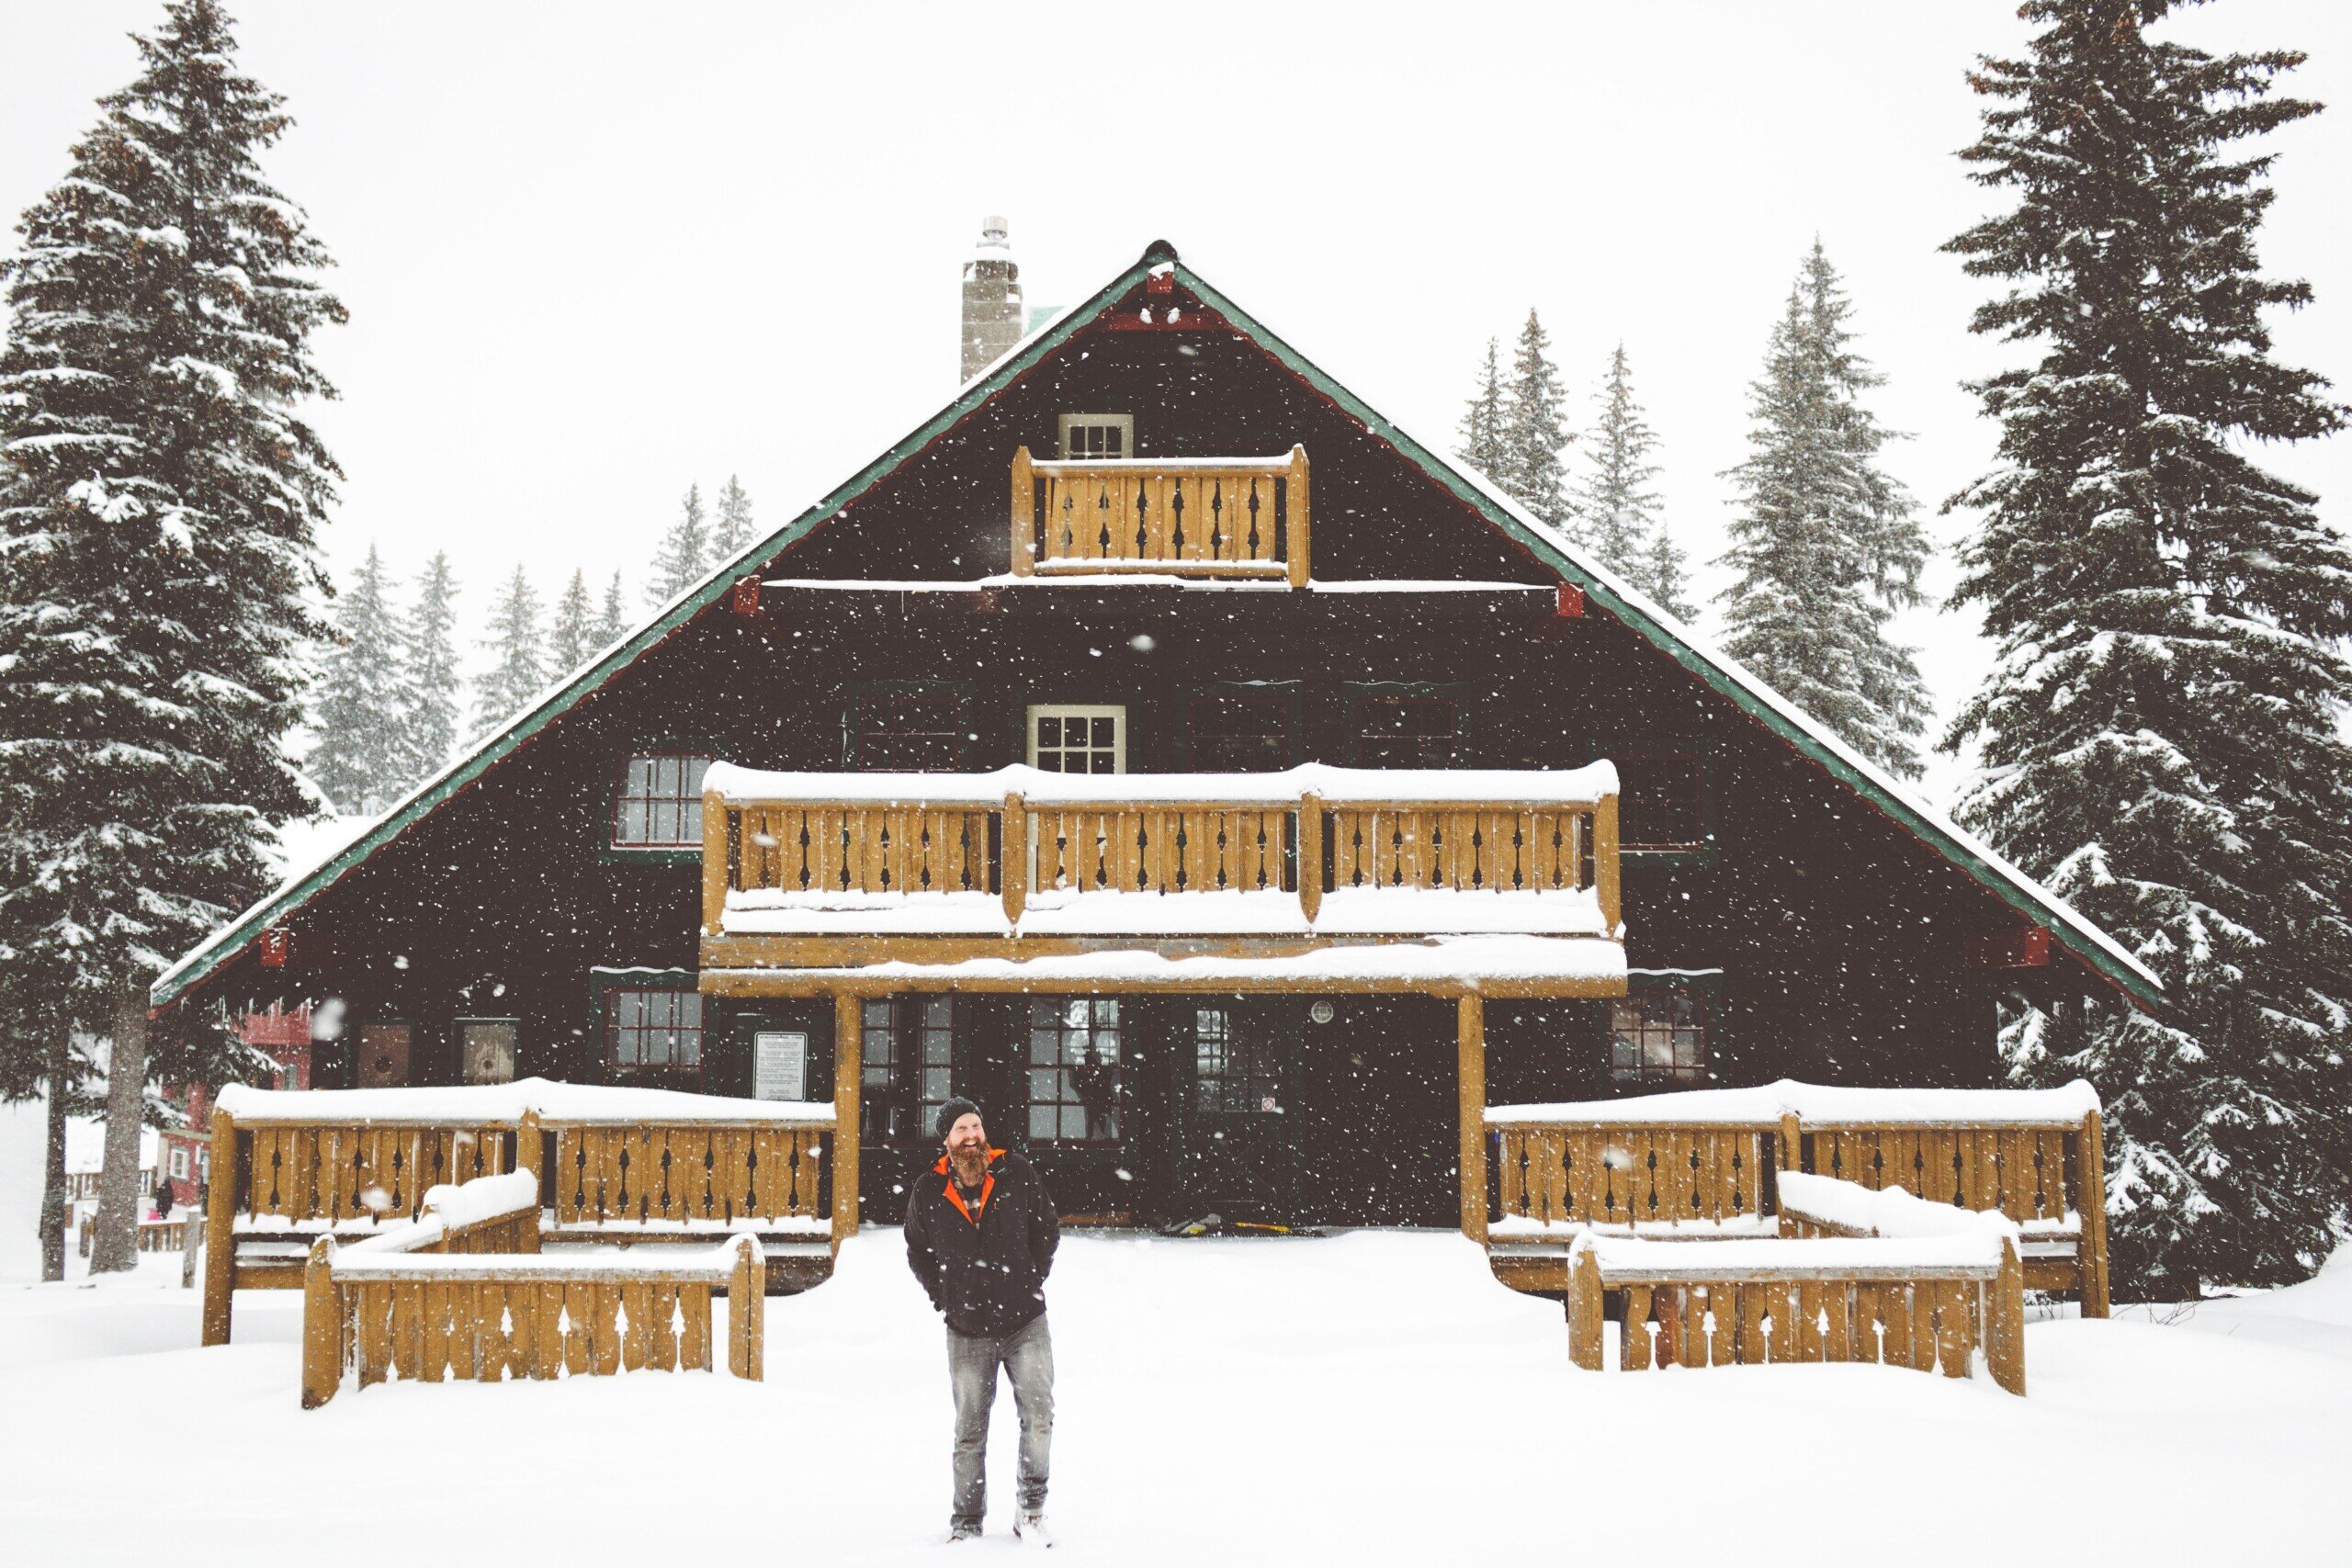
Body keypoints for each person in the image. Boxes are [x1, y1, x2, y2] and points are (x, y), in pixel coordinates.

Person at [905, 1097, 1059, 1546]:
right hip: (967, 1331)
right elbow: (918, 1251)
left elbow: (1046, 1228)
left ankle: (1030, 1513)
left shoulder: (1016, 1173)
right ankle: (967, 1523)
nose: (971, 1135)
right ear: (947, 1141)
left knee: (1039, 1418)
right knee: (970, 1431)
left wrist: (1030, 1278)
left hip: (1025, 1323)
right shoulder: (928, 1190)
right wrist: (945, 1296)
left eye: (976, 1125)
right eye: (961, 1129)